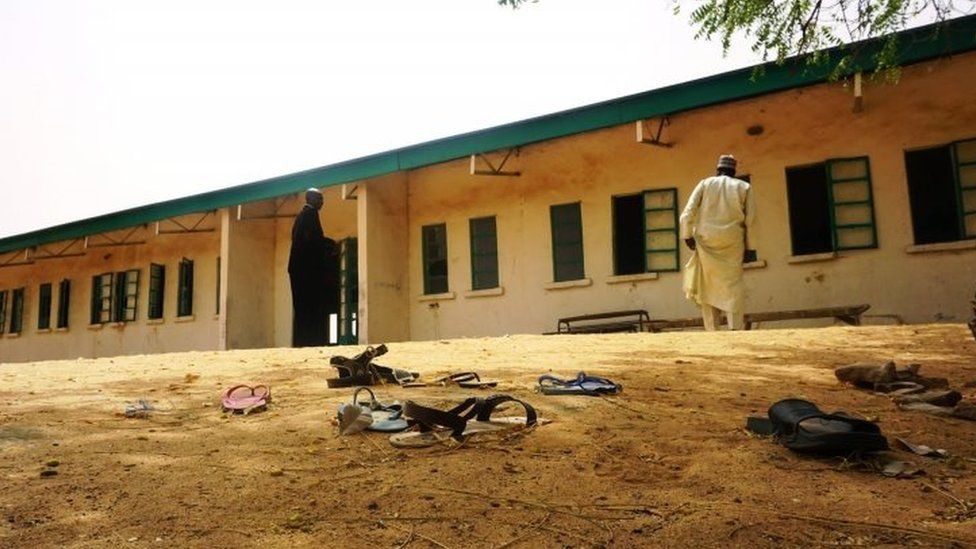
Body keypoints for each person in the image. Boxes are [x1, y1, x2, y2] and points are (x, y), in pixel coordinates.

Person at [679, 155, 756, 331]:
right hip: (733, 243)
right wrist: (751, 248)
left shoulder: (705, 184)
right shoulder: (744, 187)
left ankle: (712, 330)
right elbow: (751, 221)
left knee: (707, 286)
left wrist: (687, 236)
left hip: (706, 242)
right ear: (734, 171)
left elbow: (687, 213)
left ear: (718, 170)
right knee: (733, 286)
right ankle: (735, 328)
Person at [288, 188, 338, 347]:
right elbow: (313, 241)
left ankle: (303, 341)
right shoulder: (310, 215)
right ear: (311, 200)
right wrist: (330, 244)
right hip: (305, 270)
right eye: (320, 199)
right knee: (311, 306)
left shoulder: (300, 217)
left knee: (302, 308)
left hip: (298, 269)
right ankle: (312, 340)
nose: (322, 203)